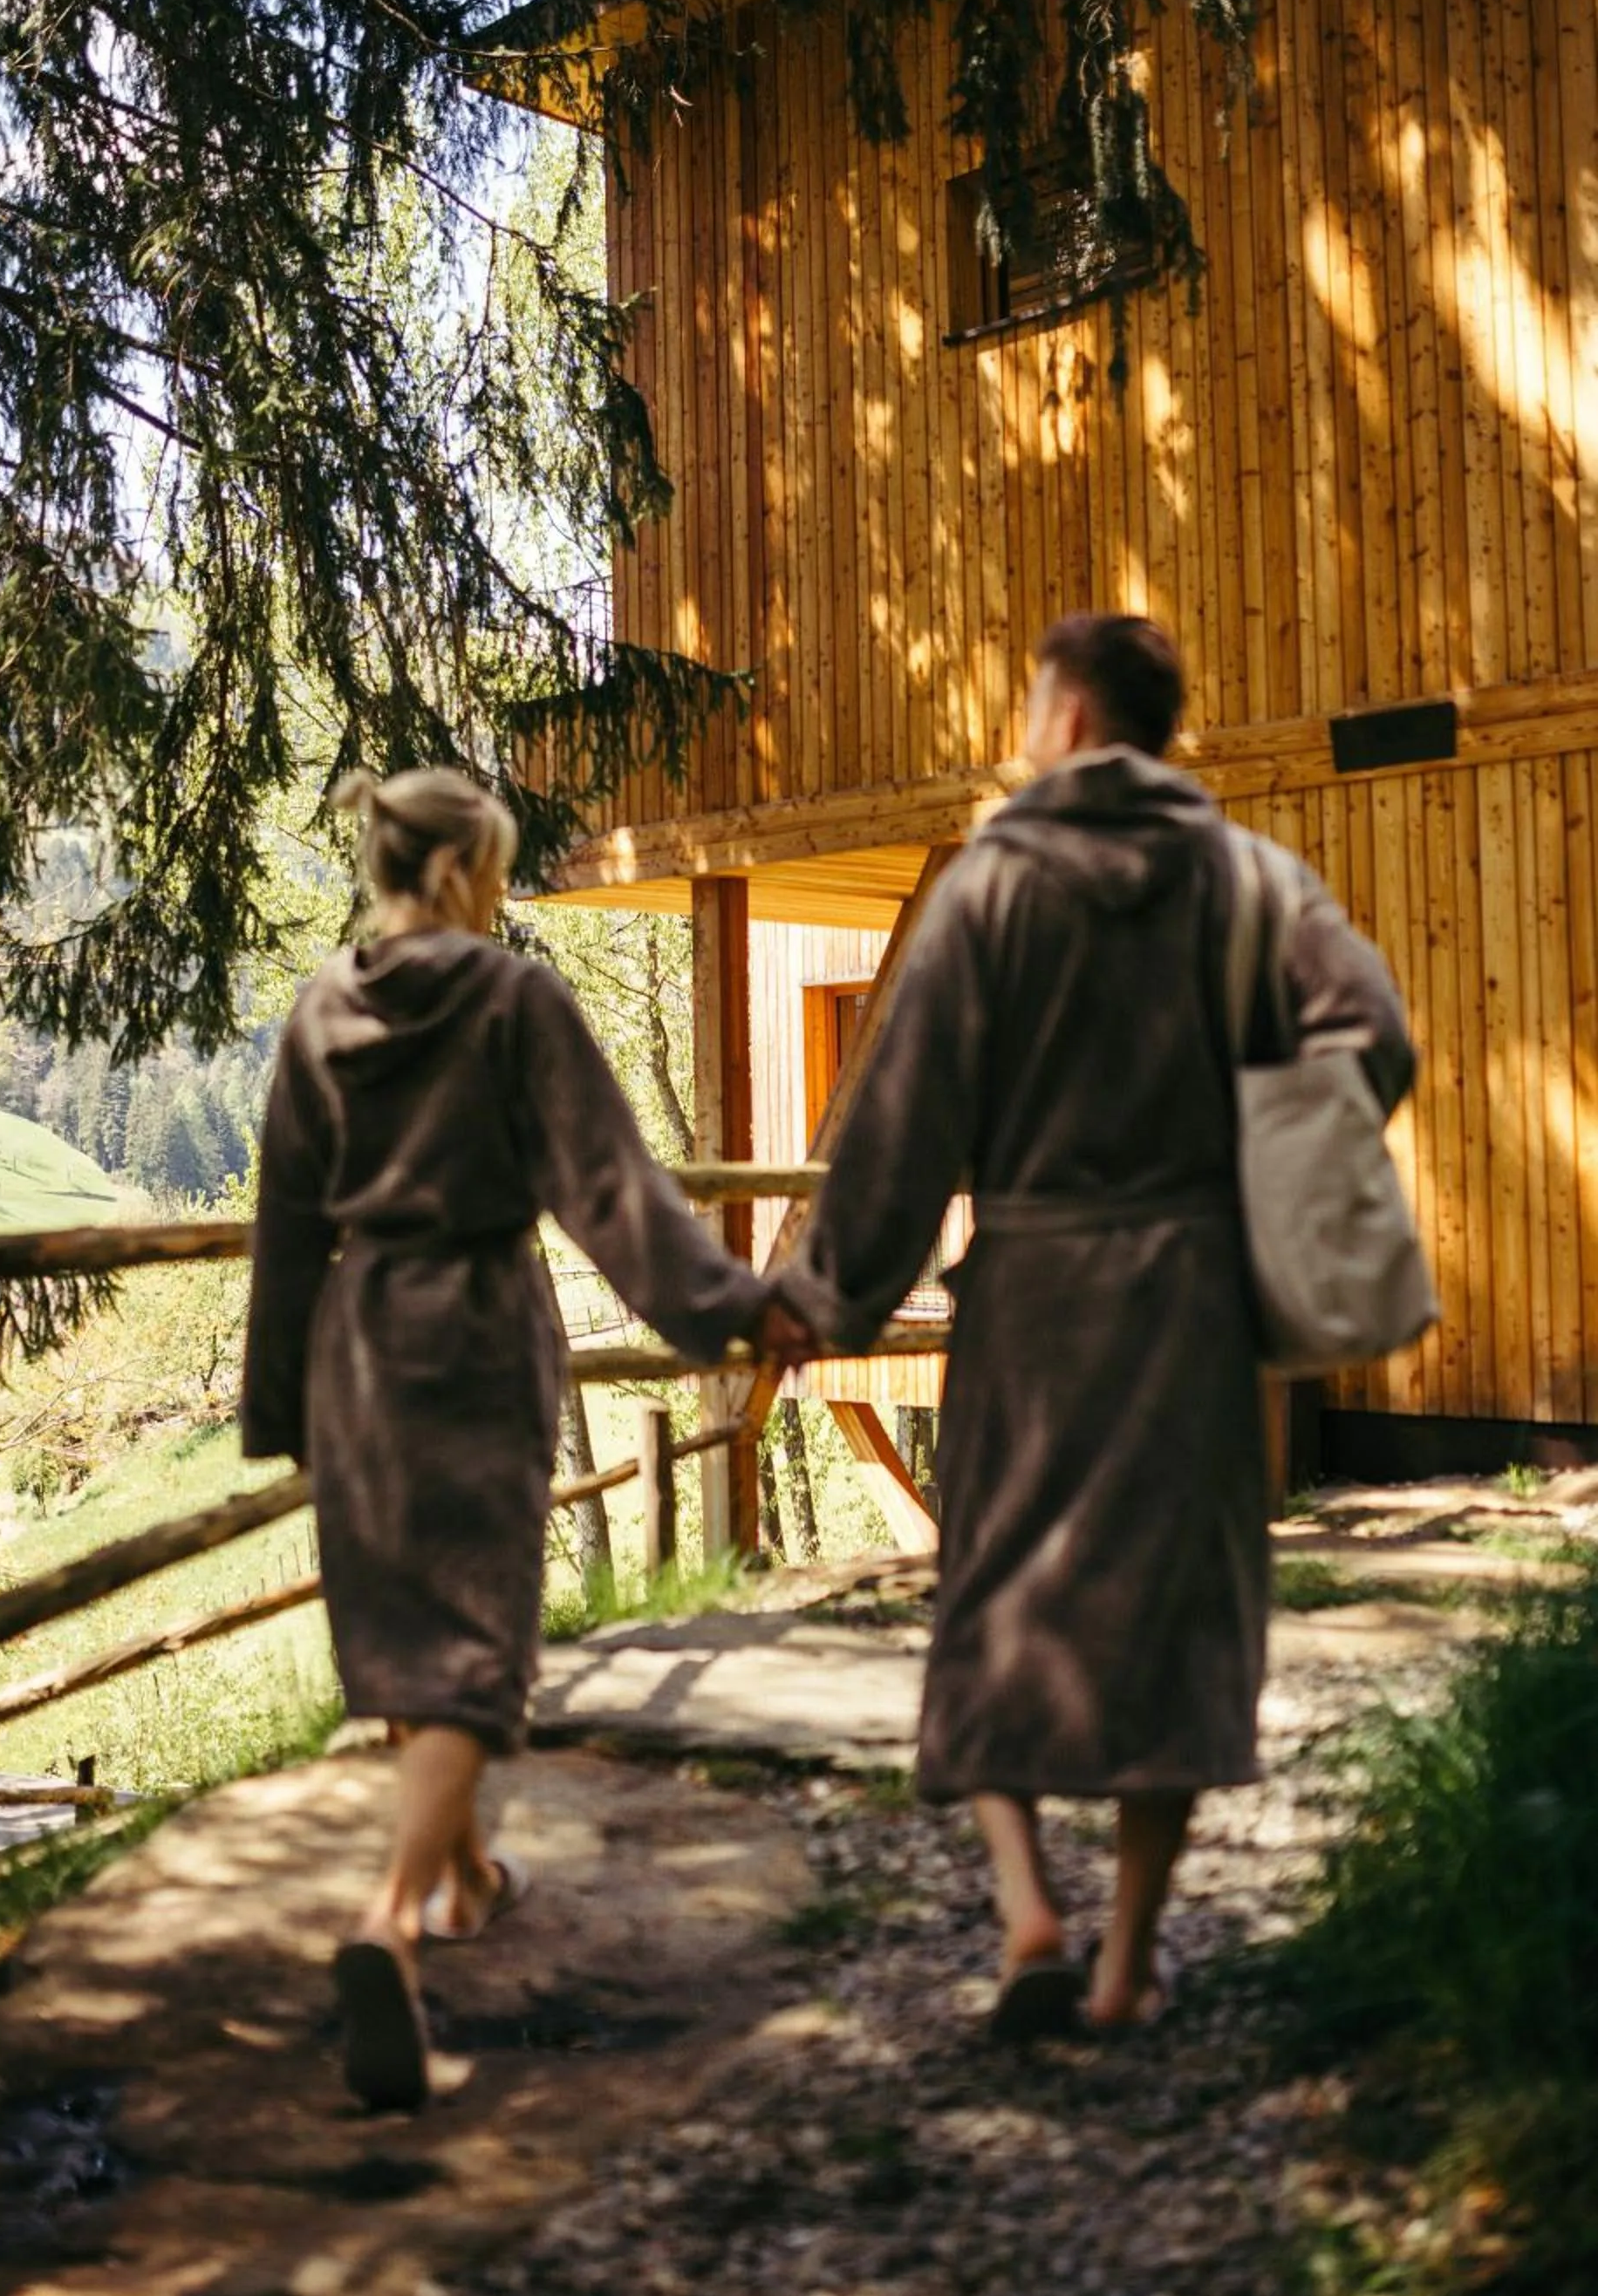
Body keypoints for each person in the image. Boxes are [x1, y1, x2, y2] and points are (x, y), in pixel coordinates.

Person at [774, 615, 1416, 2036]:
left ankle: (1026, 1920)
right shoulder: (1248, 881)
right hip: (1191, 1303)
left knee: (992, 1600)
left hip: (1034, 1305)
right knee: (1172, 1616)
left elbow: (904, 1120)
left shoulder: (992, 888)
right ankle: (1128, 1960)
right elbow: (1374, 1037)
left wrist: (826, 1297)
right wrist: (1262, 1156)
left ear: (1062, 718)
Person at [241, 764, 786, 2109]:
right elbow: (608, 1186)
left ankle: (467, 1885)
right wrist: (722, 1307)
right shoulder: (511, 1000)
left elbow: (287, 1223)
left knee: (403, 1635)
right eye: (494, 869)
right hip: (479, 1330)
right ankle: (387, 1923)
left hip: (359, 1343)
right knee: (479, 1644)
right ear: (460, 875)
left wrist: (281, 1404)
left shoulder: (320, 1012)